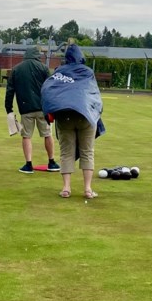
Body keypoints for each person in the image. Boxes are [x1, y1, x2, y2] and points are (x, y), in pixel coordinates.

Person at [41, 43, 105, 199]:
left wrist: (50, 112)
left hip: (65, 117)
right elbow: (93, 94)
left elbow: (48, 90)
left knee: (66, 152)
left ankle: (66, 188)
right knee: (87, 152)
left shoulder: (58, 72)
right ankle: (88, 189)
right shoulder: (88, 72)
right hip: (86, 116)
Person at [5, 46, 59, 173]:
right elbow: (51, 88)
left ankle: (28, 164)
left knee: (26, 136)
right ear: (37, 55)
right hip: (43, 108)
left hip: (25, 108)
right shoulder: (43, 68)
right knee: (47, 134)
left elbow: (10, 91)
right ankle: (52, 162)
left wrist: (9, 108)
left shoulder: (16, 69)